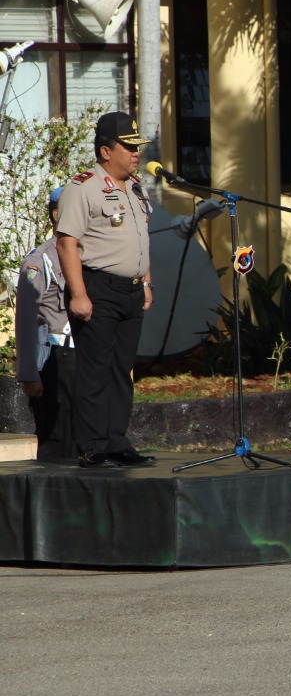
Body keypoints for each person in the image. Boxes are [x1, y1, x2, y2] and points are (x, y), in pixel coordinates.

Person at [56, 111, 156, 468]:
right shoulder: (83, 187)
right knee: (95, 370)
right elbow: (67, 242)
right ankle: (92, 444)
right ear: (104, 151)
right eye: (128, 147)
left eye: (137, 147)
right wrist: (78, 293)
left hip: (130, 290)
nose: (135, 153)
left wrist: (145, 281)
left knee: (121, 370)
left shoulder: (135, 188)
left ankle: (117, 440)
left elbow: (140, 241)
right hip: (98, 286)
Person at [16, 187, 76, 460]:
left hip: (84, 358)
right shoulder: (40, 261)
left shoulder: (85, 255)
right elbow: (26, 319)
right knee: (56, 443)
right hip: (55, 357)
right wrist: (29, 372)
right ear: (56, 214)